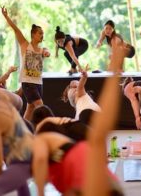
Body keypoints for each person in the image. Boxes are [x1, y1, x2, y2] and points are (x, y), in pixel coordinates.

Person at [33, 43, 125, 196]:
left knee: (95, 141)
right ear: (69, 89)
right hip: (86, 116)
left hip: (87, 118)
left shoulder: (79, 97)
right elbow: (81, 86)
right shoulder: (76, 93)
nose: (74, 83)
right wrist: (84, 77)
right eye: (71, 83)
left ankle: (101, 162)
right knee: (95, 140)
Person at [2, 7, 50, 121]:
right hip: (28, 83)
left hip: (38, 83)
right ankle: (48, 128)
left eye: (43, 33)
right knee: (40, 107)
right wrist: (6, 16)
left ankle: (22, 129)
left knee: (30, 109)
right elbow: (16, 29)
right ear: (33, 34)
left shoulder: (42, 49)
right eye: (40, 33)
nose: (42, 35)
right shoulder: (24, 45)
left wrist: (47, 53)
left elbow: (47, 52)